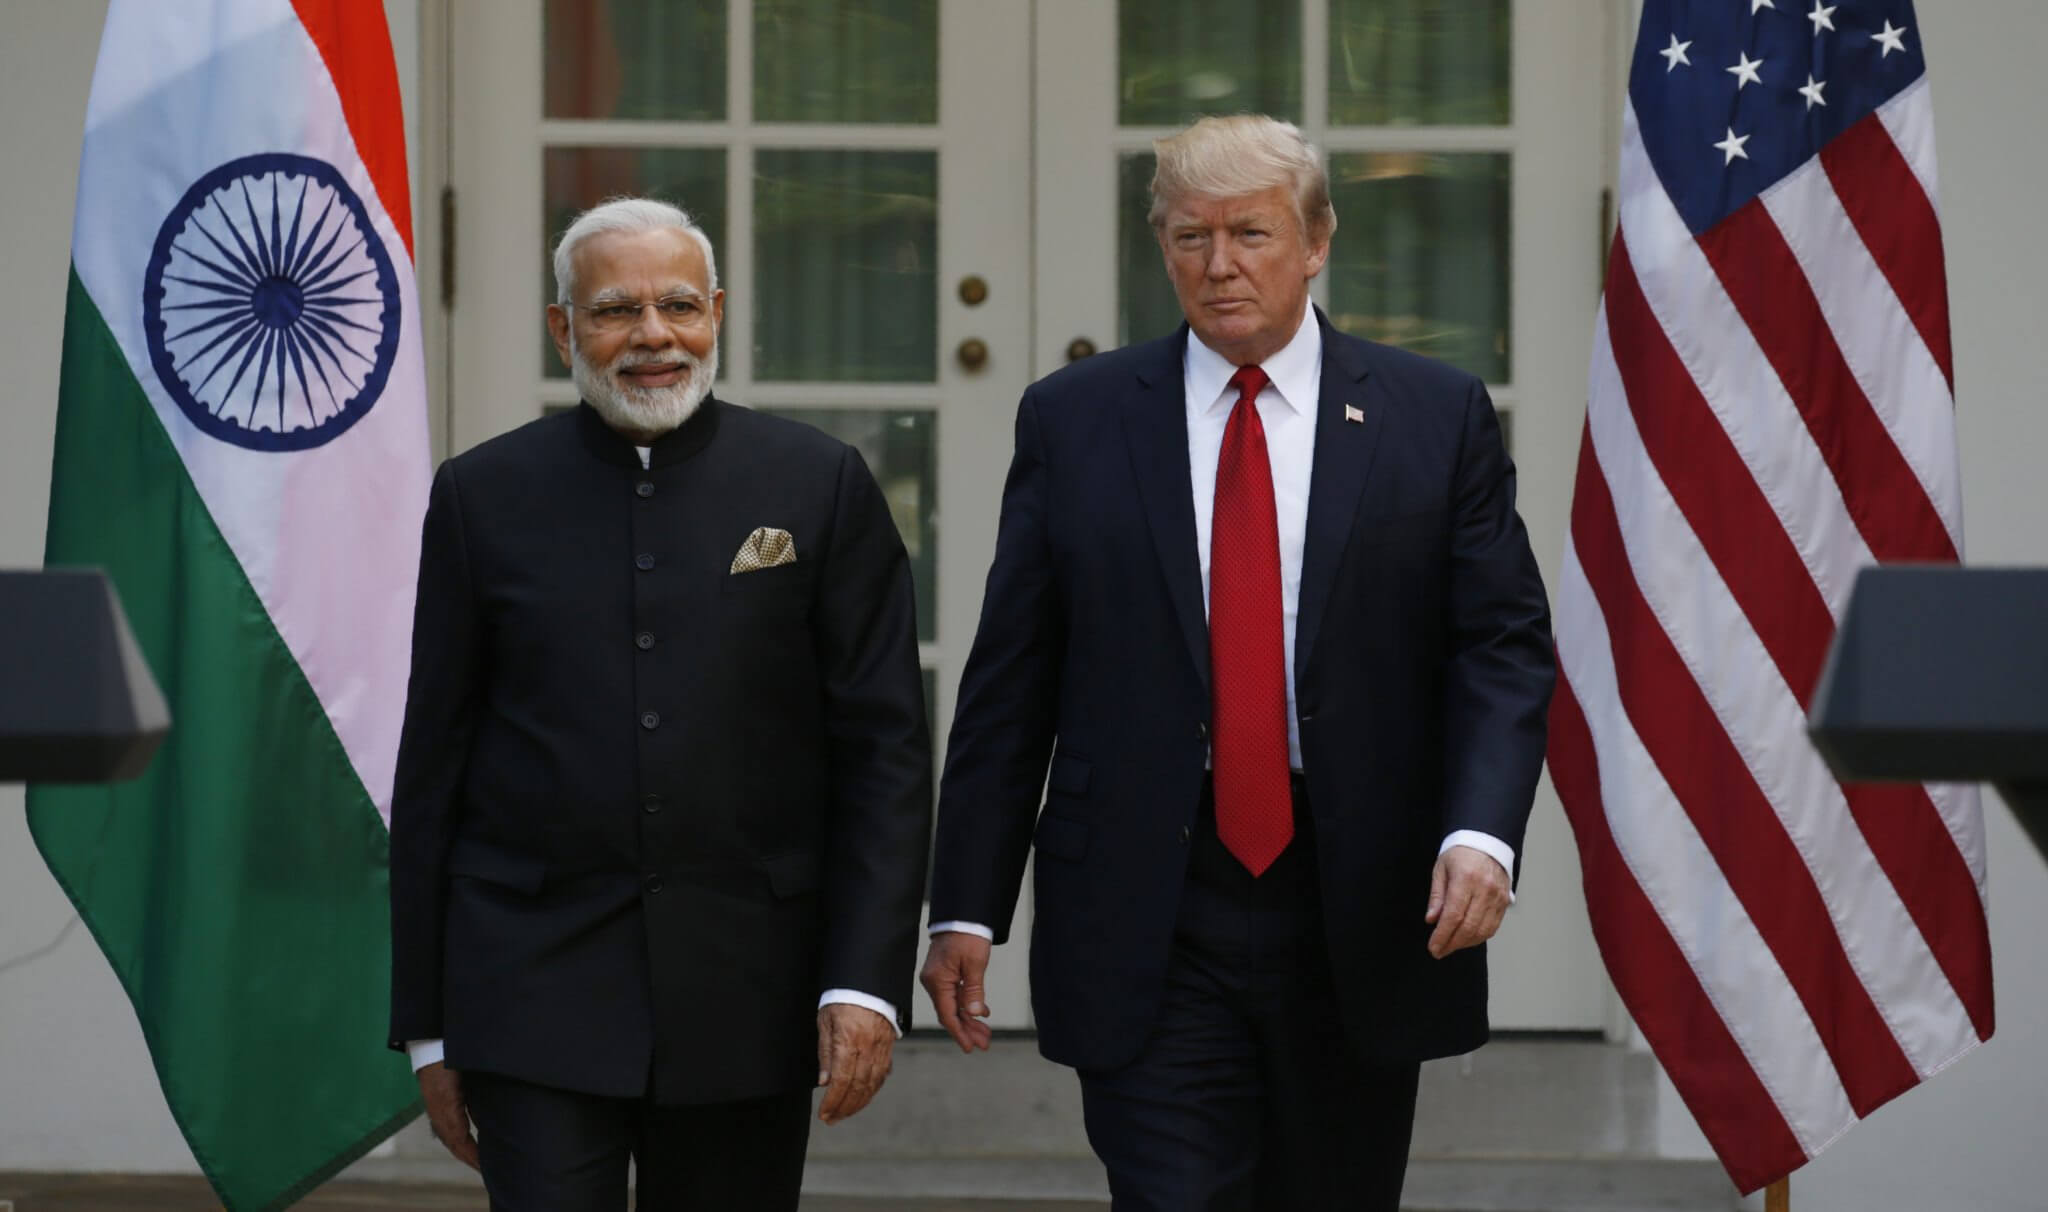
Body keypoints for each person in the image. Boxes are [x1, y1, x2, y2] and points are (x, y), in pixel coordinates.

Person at [921, 115, 1555, 1210]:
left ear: (1315, 241)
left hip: (1356, 894)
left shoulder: (1429, 416)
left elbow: (1497, 646)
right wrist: (964, 904)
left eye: (1250, 234)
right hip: (1147, 901)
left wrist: (1480, 833)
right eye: (1187, 238)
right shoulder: (1073, 420)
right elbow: (1012, 675)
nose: (1218, 267)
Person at [387, 197, 931, 1211]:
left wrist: (861, 979)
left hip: (748, 987)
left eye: (678, 305)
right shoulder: (481, 495)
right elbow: (434, 767)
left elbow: (885, 753)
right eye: (613, 311)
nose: (651, 337)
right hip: (531, 985)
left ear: (716, 311)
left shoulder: (818, 484)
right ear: (562, 328)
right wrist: (429, 1023)